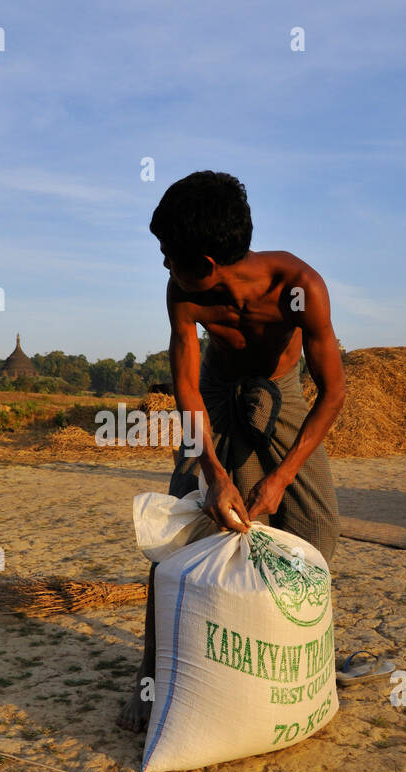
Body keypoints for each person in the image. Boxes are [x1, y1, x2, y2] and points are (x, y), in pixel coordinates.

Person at [118, 170, 345, 732]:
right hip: (215, 390)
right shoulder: (185, 295)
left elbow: (334, 392)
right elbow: (188, 387)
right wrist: (215, 473)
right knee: (189, 526)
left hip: (284, 388)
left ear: (209, 265)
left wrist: (282, 477)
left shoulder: (300, 287)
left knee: (315, 528)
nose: (164, 267)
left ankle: (298, 667)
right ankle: (156, 680)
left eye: (170, 256)